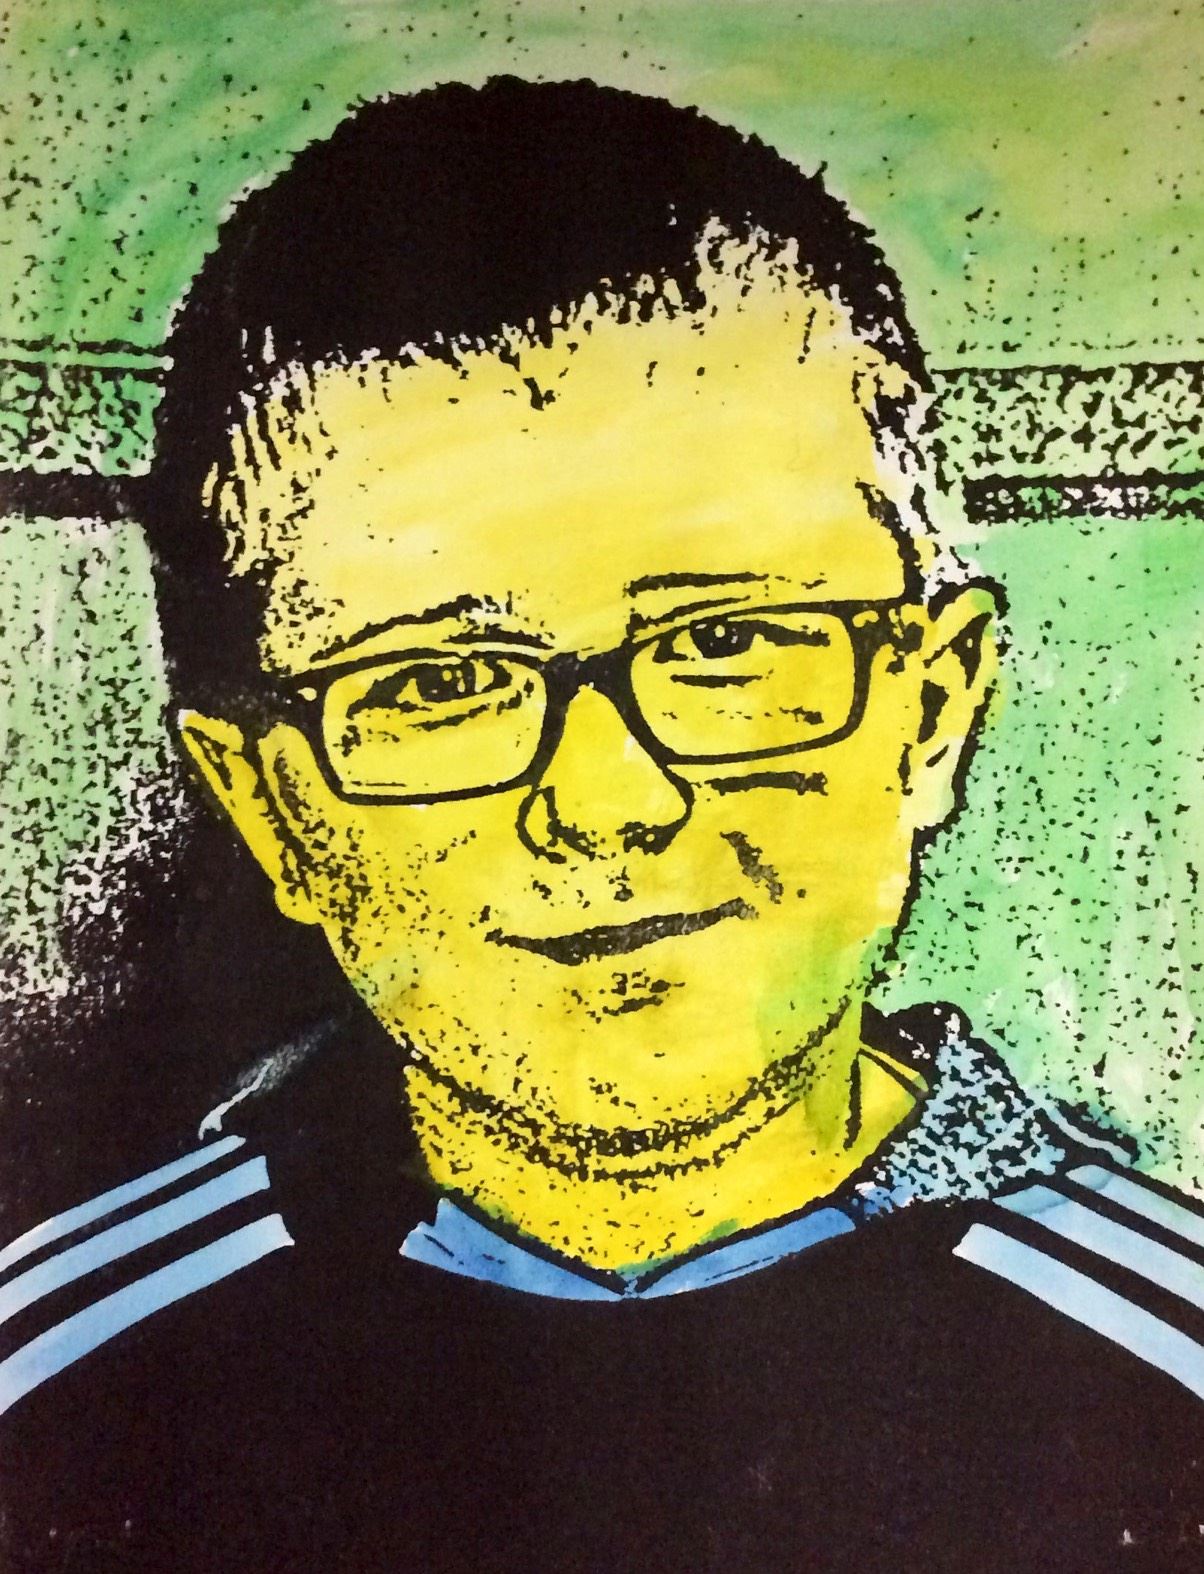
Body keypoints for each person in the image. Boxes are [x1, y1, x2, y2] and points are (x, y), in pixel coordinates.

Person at [2, 78, 1201, 1572]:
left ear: (935, 709)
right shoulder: (53, 1388)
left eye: (724, 644)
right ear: (276, 808)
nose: (605, 805)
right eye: (437, 682)